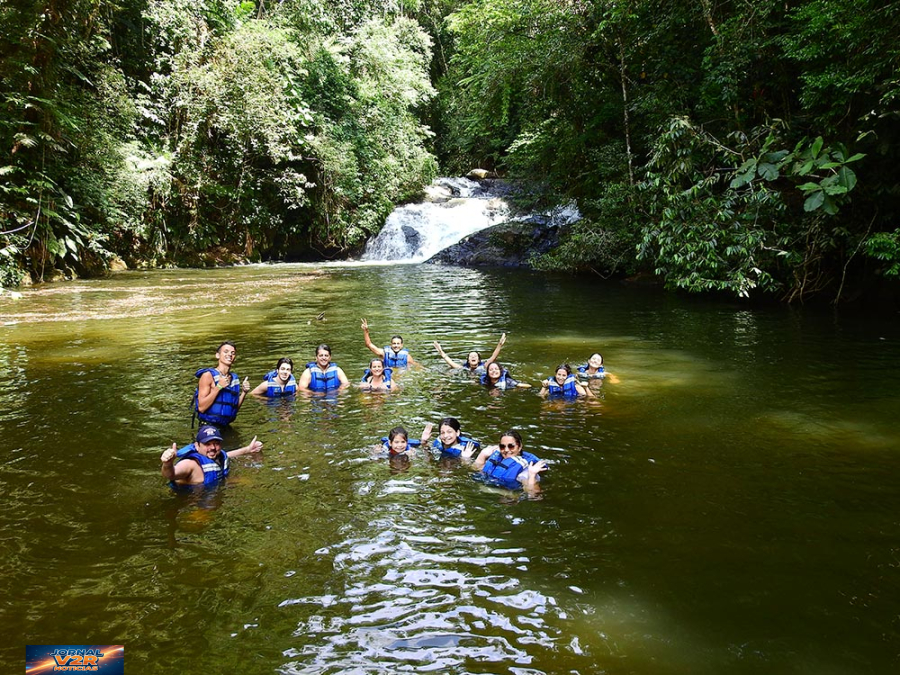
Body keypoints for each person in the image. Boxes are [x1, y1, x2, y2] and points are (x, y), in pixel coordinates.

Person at [161, 424, 263, 488]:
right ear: (197, 446)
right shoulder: (190, 464)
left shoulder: (216, 457)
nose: (213, 447)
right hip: (190, 501)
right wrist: (168, 463)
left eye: (216, 443)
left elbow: (227, 455)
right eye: (207, 444)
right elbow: (170, 475)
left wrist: (247, 449)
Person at [465, 429, 546, 493]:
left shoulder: (525, 470)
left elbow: (532, 494)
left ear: (520, 446)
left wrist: (532, 475)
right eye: (502, 446)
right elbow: (474, 470)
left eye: (511, 446)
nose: (506, 450)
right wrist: (481, 456)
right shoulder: (497, 458)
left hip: (507, 495)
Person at [193, 341, 251, 427]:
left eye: (233, 353)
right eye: (226, 352)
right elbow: (201, 408)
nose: (230, 355)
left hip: (226, 425)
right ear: (217, 355)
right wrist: (219, 387)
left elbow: (233, 408)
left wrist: (244, 392)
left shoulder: (234, 378)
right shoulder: (208, 376)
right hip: (209, 427)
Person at [433, 333, 506, 374]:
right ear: (468, 360)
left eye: (475, 356)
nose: (473, 357)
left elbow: (493, 357)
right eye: (471, 356)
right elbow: (451, 362)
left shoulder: (484, 366)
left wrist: (499, 345)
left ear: (479, 360)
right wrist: (440, 351)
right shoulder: (464, 368)